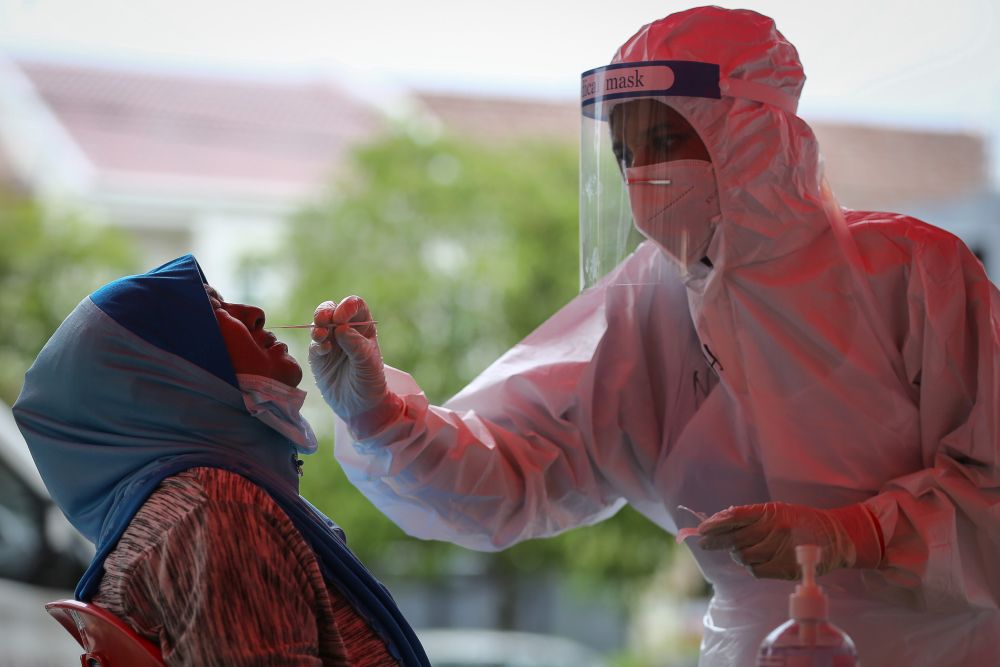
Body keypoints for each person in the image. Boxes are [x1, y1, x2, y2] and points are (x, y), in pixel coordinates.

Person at [306, 6, 1000, 666]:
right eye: (623, 151)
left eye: (665, 140)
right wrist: (383, 418)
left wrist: (860, 535)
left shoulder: (913, 274)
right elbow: (518, 468)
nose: (640, 175)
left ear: (751, 131)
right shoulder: (650, 305)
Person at [13, 255, 429, 666]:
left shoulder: (190, 508)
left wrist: (377, 413)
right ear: (166, 377)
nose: (255, 314)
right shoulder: (219, 512)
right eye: (214, 310)